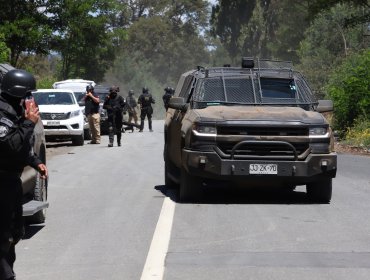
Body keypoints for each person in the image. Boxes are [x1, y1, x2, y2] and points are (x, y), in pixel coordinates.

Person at [0, 69, 48, 280]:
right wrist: (29, 122)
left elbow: (21, 146)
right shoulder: (3, 113)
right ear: (19, 93)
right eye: (28, 94)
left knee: (14, 233)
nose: (30, 99)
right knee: (3, 236)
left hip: (10, 181)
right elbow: (8, 144)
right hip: (1, 182)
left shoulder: (14, 110)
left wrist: (36, 162)